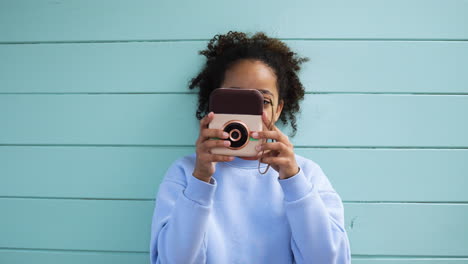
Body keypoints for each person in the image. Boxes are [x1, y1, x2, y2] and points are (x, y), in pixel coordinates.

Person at [149, 31, 351, 264]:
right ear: (213, 103)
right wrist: (200, 179)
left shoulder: (307, 175)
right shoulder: (186, 173)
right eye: (233, 99)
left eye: (262, 101)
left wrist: (294, 181)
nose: (245, 114)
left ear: (278, 109)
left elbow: (328, 260)